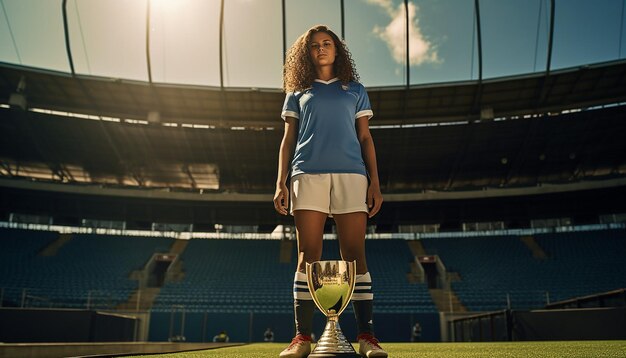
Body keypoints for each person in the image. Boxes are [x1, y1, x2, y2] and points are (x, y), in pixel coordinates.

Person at [273, 24, 386, 358]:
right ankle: (301, 339)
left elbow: (366, 138)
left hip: (352, 176)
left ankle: (367, 337)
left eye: (327, 43)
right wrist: (281, 181)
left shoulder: (355, 90)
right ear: (305, 53)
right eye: (314, 45)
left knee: (355, 255)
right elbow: (288, 140)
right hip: (306, 175)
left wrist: (375, 183)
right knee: (308, 255)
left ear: (338, 49)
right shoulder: (297, 91)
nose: (321, 49)